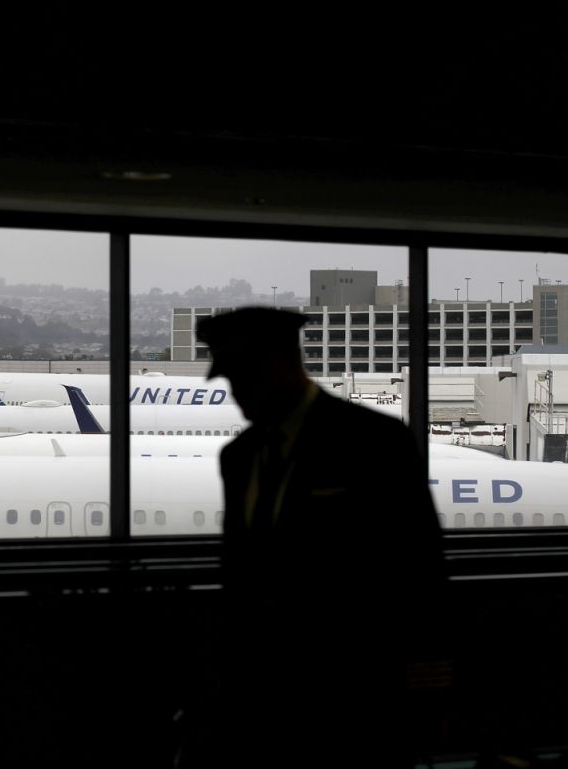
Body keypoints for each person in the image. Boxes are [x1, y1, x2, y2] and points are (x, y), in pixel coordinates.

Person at [190, 307, 445, 767]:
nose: (238, 395)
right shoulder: (239, 456)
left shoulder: (374, 441)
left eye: (246, 378)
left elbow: (420, 567)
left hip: (352, 686)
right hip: (262, 691)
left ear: (282, 365)